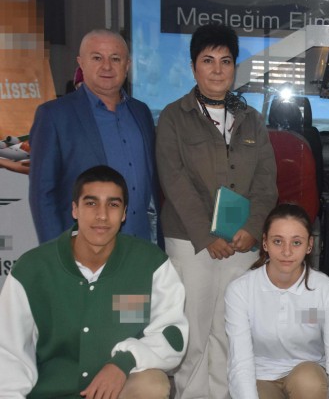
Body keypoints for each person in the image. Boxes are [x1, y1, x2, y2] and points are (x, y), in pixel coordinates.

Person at [156, 24, 278, 398]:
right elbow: (174, 180)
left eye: (225, 61)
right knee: (193, 333)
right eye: (208, 60)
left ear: (234, 68)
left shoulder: (252, 118)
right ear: (193, 66)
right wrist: (206, 235)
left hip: (241, 242)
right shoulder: (174, 117)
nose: (217, 69)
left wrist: (252, 227)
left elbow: (266, 181)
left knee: (229, 332)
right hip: (191, 241)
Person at [0, 165, 188, 398]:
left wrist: (124, 361)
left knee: (151, 384)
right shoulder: (32, 269)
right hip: (49, 393)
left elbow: (171, 336)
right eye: (91, 203)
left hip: (118, 389)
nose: (102, 215)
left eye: (113, 205)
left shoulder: (150, 264)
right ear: (75, 209)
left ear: (124, 213)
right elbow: (8, 353)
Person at [29, 29, 161, 244]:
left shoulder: (142, 112)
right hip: (85, 249)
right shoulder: (54, 115)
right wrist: (55, 254)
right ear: (81, 63)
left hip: (143, 246)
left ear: (127, 65)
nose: (107, 66)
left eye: (115, 59)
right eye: (97, 58)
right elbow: (43, 193)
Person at [225, 203, 329, 399]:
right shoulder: (240, 290)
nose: (286, 251)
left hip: (309, 375)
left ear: (309, 245)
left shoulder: (327, 291)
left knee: (308, 381)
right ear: (265, 243)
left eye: (296, 242)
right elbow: (240, 362)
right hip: (260, 378)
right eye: (278, 241)